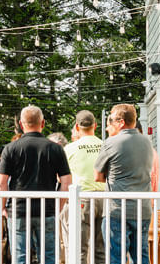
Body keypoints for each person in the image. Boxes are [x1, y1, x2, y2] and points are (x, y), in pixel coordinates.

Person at [0, 106, 72, 264]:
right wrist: (57, 206)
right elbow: (66, 182)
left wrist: (1, 207)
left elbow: (1, 184)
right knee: (49, 256)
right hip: (47, 209)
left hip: (18, 209)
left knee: (20, 256)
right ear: (42, 123)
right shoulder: (55, 148)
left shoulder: (10, 149)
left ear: (21, 124)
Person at [94, 104, 154, 264]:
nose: (108, 127)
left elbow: (98, 176)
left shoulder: (110, 143)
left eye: (110, 121)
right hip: (142, 209)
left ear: (120, 122)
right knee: (141, 257)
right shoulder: (147, 142)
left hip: (117, 209)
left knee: (115, 258)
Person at [62, 110, 106, 264]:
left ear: (77, 126)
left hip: (82, 199)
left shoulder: (70, 149)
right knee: (101, 250)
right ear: (95, 125)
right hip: (104, 198)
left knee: (79, 249)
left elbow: (62, 176)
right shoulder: (105, 146)